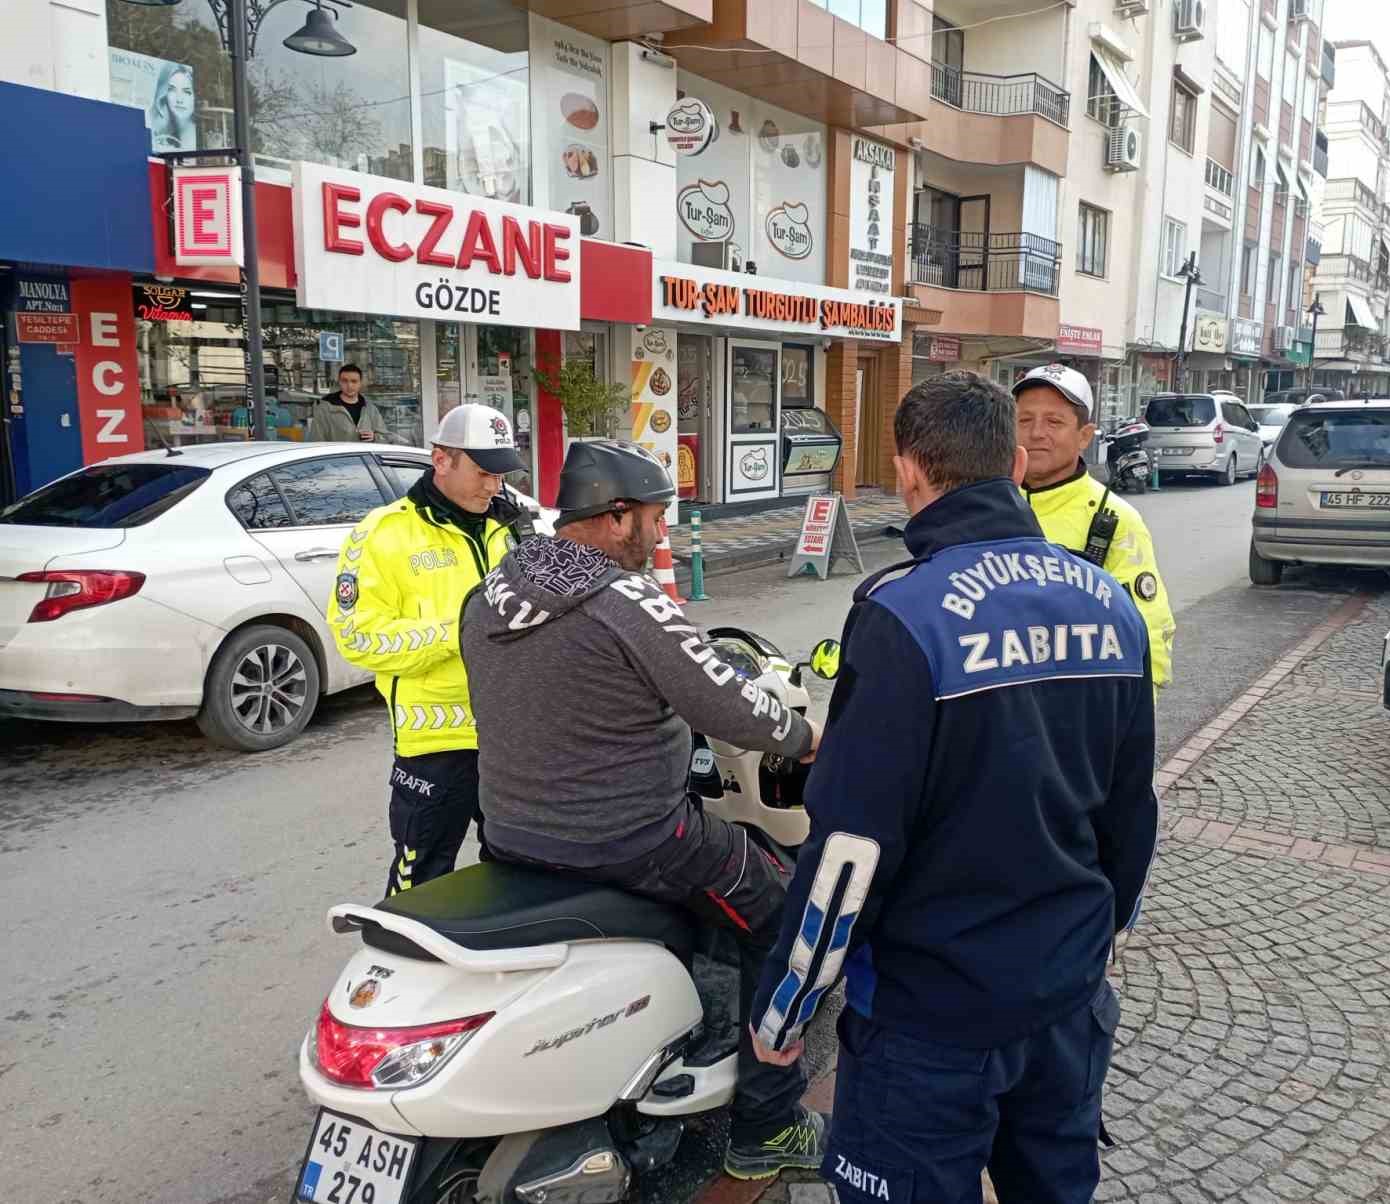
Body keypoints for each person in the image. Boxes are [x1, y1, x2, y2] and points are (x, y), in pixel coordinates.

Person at [749, 370, 1159, 1204]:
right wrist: (1095, 941)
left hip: (930, 1021)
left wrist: (785, 1011)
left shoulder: (905, 614)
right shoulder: (1111, 604)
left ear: (907, 471)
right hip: (1066, 1003)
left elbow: (852, 852)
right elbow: (1130, 810)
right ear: (1012, 461)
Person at [458, 440, 828, 1182]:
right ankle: (767, 1125)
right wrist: (808, 737)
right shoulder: (624, 602)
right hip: (633, 837)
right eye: (655, 519)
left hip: (510, 833)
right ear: (616, 513)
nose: (660, 536)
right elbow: (728, 701)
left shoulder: (496, 586)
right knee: (787, 922)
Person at [324, 403, 524, 896]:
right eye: (482, 473)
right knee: (421, 882)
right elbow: (357, 636)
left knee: (516, 869)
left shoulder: (514, 527)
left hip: (514, 738)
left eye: (500, 474)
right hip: (436, 745)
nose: (493, 487)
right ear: (441, 459)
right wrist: (460, 629)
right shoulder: (383, 535)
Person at [1012, 363, 1176, 693]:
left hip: (1075, 710)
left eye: (1054, 422)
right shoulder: (987, 503)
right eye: (1024, 420)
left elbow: (1149, 631)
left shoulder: (1113, 519)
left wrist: (1132, 726)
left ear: (1084, 436)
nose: (1036, 433)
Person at [309, 364, 390, 443]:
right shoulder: (325, 409)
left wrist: (374, 437)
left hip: (364, 456)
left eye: (354, 381)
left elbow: (385, 437)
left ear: (360, 383)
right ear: (339, 382)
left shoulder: (370, 409)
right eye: (345, 381)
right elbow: (316, 441)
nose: (349, 385)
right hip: (340, 456)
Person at [147, 63, 196, 153]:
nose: (179, 99)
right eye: (172, 90)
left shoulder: (200, 139)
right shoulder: (158, 137)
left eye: (187, 92)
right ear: (164, 95)